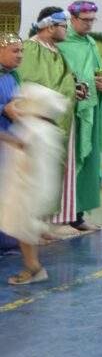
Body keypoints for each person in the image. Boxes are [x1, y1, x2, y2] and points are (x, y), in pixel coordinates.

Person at [17, 7, 90, 236]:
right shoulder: (31, 48)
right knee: (36, 175)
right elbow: (31, 83)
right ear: (49, 26)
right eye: (64, 26)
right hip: (40, 122)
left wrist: (76, 88)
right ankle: (30, 227)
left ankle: (46, 223)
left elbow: (63, 81)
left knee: (51, 175)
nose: (67, 30)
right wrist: (65, 92)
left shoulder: (56, 51)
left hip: (61, 120)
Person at [0, 83, 67, 285]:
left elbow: (21, 145)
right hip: (35, 188)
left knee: (24, 231)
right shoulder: (47, 128)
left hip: (27, 189)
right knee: (25, 231)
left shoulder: (34, 128)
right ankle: (33, 266)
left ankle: (34, 268)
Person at [60, 1, 102, 230]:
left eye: (92, 20)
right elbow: (61, 77)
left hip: (90, 108)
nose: (89, 24)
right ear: (72, 18)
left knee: (87, 161)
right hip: (69, 112)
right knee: (69, 161)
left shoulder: (91, 43)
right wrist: (88, 82)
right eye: (85, 20)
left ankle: (77, 215)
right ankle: (62, 216)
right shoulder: (62, 43)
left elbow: (95, 73)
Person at [0, 33, 23, 251]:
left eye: (21, 51)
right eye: (15, 51)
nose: (20, 55)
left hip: (8, 142)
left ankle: (8, 238)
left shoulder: (12, 76)